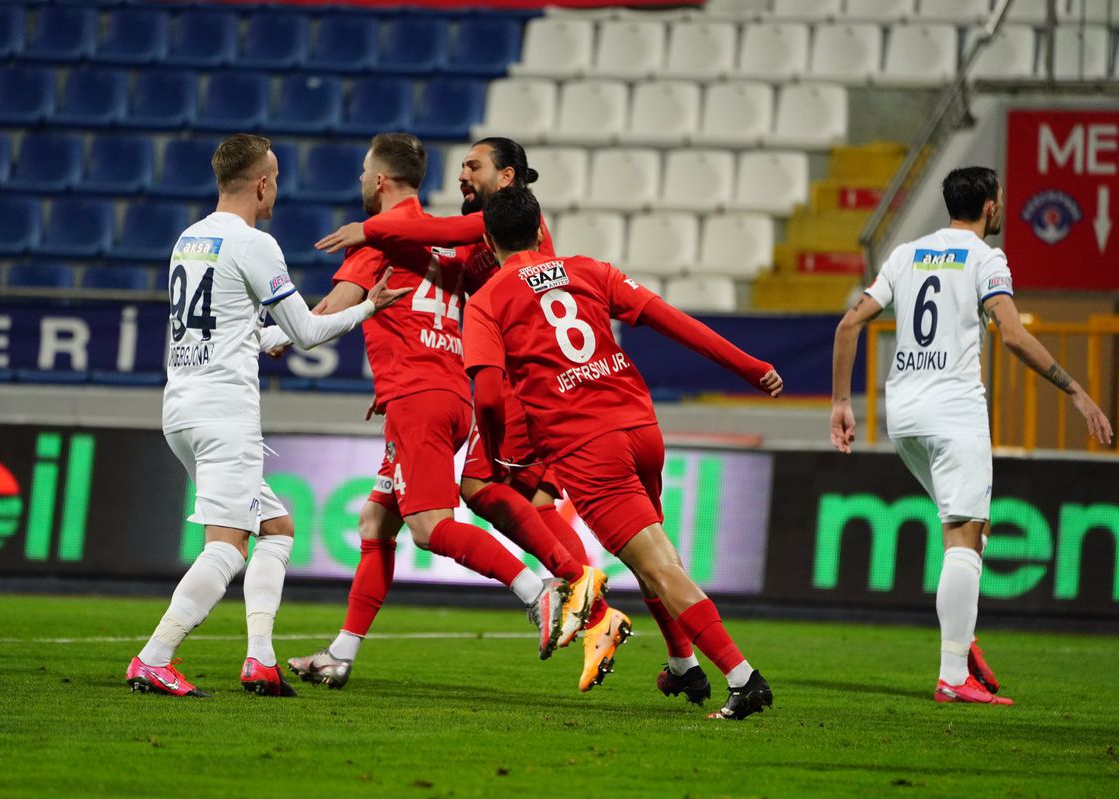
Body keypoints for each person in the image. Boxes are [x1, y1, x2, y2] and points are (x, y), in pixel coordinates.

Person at [316, 138, 637, 694]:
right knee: (385, 521)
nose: (463, 174)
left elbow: (436, 238)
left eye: (474, 166)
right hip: (481, 385)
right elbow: (443, 244)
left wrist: (373, 231)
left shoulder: (501, 228)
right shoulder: (476, 237)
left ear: (507, 178)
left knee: (472, 497)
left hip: (514, 385)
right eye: (461, 166)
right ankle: (341, 655)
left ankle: (564, 589)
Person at [462, 185, 784, 720]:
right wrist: (750, 367)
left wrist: (496, 454)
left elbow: (490, 395)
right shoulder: (589, 269)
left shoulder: (488, 300)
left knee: (657, 567)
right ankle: (683, 663)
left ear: (489, 239)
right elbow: (675, 322)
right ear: (542, 227)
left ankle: (742, 677)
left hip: (589, 447)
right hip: (641, 427)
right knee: (656, 555)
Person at [126, 134, 411, 698]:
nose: (276, 189)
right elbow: (308, 332)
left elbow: (234, 328)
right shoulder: (256, 243)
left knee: (276, 530)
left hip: (181, 406)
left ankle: (259, 659)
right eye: (275, 178)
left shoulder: (190, 238)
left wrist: (271, 335)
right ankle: (153, 657)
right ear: (262, 183)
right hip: (224, 414)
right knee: (227, 547)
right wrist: (368, 308)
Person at [830, 166, 1112, 705]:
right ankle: (952, 676)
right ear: (989, 206)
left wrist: (843, 402)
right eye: (1000, 201)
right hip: (954, 410)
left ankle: (963, 638)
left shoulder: (906, 253)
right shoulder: (986, 259)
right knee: (964, 538)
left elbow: (847, 325)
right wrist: (1075, 390)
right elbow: (1012, 335)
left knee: (971, 530)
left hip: (903, 415)